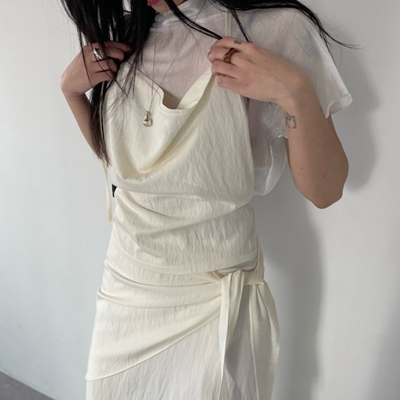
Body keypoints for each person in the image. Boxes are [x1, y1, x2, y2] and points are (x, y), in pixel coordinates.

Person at [60, 0, 354, 398]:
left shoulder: (273, 29)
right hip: (127, 289)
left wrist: (296, 94)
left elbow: (326, 190)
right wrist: (72, 93)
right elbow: (127, 169)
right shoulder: (126, 37)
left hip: (215, 301)